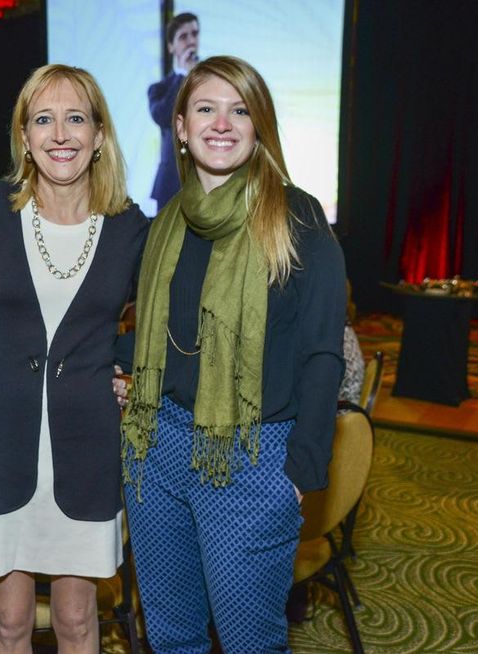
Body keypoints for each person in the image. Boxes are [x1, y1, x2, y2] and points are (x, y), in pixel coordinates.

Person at [120, 56, 346, 652]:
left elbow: (324, 353)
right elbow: (171, 338)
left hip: (251, 456)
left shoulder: (296, 217)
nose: (222, 123)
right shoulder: (167, 222)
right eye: (206, 108)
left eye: (239, 109)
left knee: (250, 643)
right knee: (170, 636)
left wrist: (299, 472)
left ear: (259, 125)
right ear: (181, 128)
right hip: (157, 452)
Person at [0, 64, 147, 654]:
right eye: (43, 119)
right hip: (4, 442)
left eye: (76, 118)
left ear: (99, 134)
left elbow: (158, 315)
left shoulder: (130, 228)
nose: (60, 134)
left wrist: (124, 365)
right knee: (10, 621)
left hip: (86, 447)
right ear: (24, 135)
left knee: (76, 622)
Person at [149, 12, 200, 211]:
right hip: (172, 182)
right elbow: (162, 116)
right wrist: (184, 75)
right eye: (183, 36)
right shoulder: (159, 89)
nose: (191, 41)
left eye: (194, 34)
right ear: (171, 46)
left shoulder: (212, 81)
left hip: (207, 180)